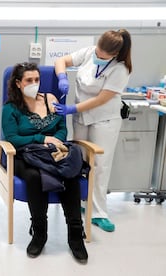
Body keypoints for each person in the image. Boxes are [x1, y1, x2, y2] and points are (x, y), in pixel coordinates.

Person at [2, 62, 88, 263]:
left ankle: (75, 234)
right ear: (18, 83)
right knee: (34, 176)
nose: (34, 83)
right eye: (29, 80)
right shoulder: (11, 108)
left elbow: (62, 127)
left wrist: (55, 141)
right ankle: (39, 233)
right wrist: (42, 139)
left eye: (37, 79)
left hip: (53, 152)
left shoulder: (50, 100)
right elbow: (12, 138)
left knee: (71, 174)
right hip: (25, 155)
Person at [54, 29, 132, 233]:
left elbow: (100, 100)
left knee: (100, 165)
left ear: (114, 54)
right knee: (79, 160)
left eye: (103, 54)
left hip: (104, 119)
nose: (97, 55)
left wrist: (71, 108)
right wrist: (62, 77)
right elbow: (61, 61)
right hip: (82, 117)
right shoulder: (89, 52)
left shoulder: (120, 70)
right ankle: (80, 201)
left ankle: (99, 212)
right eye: (98, 49)